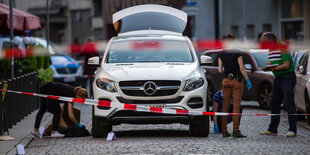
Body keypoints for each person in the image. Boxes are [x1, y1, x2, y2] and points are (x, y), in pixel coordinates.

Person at [259, 32, 297, 137]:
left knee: (289, 103)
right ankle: (272, 129)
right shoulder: (271, 49)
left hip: (287, 77)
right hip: (278, 77)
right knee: (274, 103)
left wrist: (272, 68)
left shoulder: (283, 46)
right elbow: (273, 62)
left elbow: (286, 65)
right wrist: (265, 66)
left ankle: (292, 129)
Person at [218, 49, 252, 138]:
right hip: (237, 81)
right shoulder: (237, 52)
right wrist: (248, 80)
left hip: (226, 80)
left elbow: (220, 70)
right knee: (236, 107)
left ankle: (224, 131)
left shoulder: (221, 53)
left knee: (225, 106)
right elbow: (242, 68)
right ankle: (235, 131)